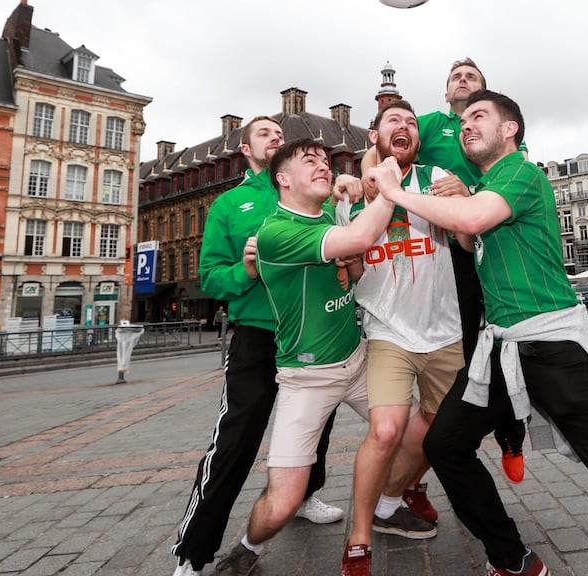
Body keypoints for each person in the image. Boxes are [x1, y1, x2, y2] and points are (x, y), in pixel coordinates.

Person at [374, 90, 588, 576]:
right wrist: (452, 204)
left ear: (510, 129)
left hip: (553, 345)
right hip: (502, 347)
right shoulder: (483, 184)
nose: (468, 125)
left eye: (480, 116)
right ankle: (513, 559)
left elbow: (474, 220)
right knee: (445, 444)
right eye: (465, 119)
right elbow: (468, 233)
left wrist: (395, 191)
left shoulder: (519, 171)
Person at [171, 118, 343, 576]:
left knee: (317, 425)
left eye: (279, 134)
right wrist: (244, 272)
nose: (277, 138)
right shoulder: (230, 204)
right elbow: (209, 276)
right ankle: (194, 550)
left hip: (311, 331)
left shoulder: (313, 193)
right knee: (235, 439)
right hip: (257, 334)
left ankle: (305, 496)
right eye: (266, 134)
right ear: (245, 149)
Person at [227, 139, 400, 576]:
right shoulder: (274, 232)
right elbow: (361, 235)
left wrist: (347, 188)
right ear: (282, 179)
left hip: (356, 360)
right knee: (284, 501)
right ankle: (246, 548)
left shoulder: (325, 215)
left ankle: (393, 502)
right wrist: (392, 190)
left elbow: (355, 270)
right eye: (310, 162)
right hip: (307, 376)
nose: (323, 166)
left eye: (326, 161)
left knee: (412, 432)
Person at [360, 57, 527, 496]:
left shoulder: (497, 127)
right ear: (446, 91)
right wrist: (368, 183)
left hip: (491, 240)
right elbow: (378, 150)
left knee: (504, 347)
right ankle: (415, 479)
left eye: (472, 77)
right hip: (448, 250)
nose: (464, 81)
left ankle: (512, 436)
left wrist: (468, 193)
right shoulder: (430, 124)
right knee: (468, 363)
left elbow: (508, 181)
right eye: (456, 77)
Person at [336, 100, 462, 545]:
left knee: (441, 426)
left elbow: (466, 237)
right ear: (374, 135)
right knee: (386, 429)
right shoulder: (351, 197)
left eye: (411, 122)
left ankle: (391, 502)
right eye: (394, 121)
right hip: (386, 329)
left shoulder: (438, 180)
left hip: (444, 330)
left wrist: (464, 196)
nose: (405, 126)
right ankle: (359, 536)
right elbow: (350, 268)